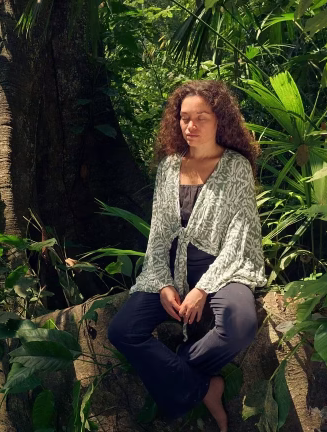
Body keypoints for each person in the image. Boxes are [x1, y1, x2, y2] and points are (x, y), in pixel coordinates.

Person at [107, 80, 267, 431]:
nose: (191, 126)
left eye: (201, 117)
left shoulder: (235, 166)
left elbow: (240, 235)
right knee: (122, 330)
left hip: (221, 267)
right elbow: (159, 232)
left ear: (220, 119)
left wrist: (203, 288)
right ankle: (205, 387)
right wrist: (163, 284)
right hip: (169, 267)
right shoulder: (169, 166)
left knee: (239, 326)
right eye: (184, 118)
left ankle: (182, 368)